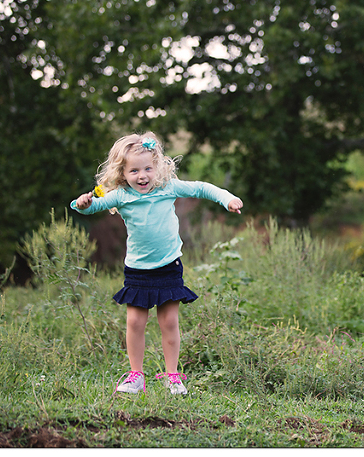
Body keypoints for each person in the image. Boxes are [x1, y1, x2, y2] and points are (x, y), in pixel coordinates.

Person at [70, 132, 243, 395]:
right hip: (138, 270)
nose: (142, 176)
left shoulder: (167, 188)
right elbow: (90, 207)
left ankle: (173, 377)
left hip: (168, 266)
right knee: (135, 322)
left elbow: (201, 188)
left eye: (148, 169)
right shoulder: (121, 195)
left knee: (169, 322)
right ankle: (136, 376)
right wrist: (83, 203)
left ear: (157, 167)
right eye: (134, 171)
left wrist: (227, 198)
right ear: (122, 173)